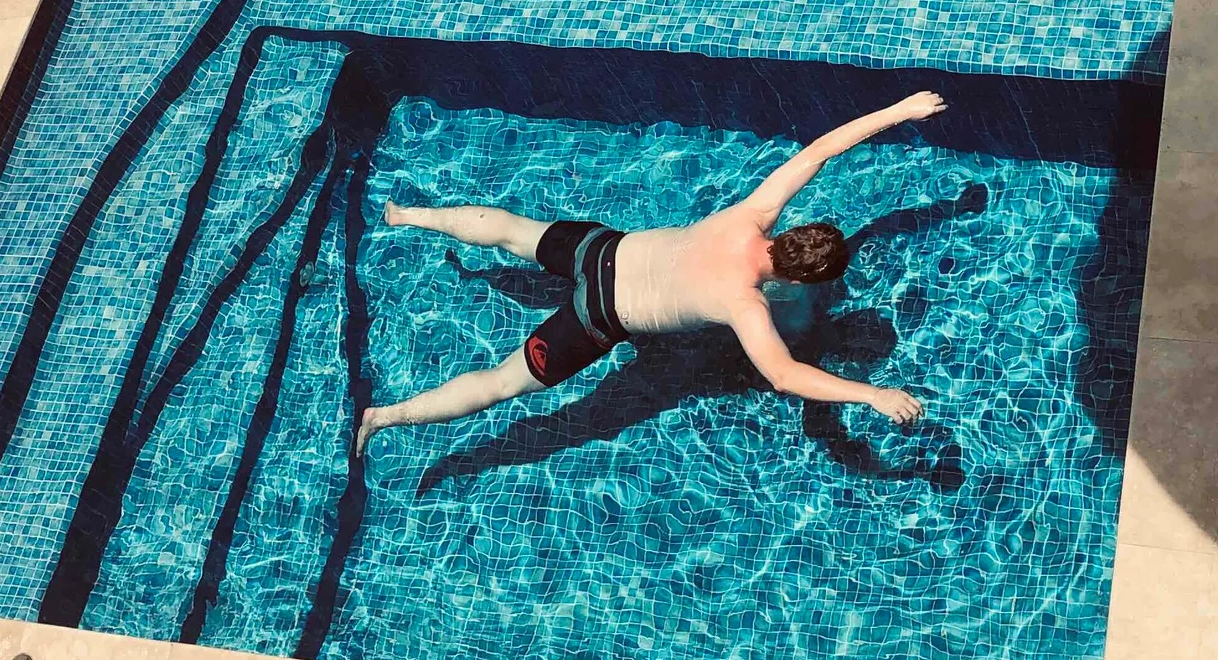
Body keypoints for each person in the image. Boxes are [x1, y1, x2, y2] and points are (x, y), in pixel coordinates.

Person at [355, 91, 946, 454]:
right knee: (500, 384)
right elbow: (788, 377)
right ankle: (385, 417)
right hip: (597, 319)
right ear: (800, 280)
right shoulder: (744, 304)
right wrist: (871, 393)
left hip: (600, 250)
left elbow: (819, 151)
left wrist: (901, 110)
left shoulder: (752, 215)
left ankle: (408, 215)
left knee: (512, 230)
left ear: (790, 235)